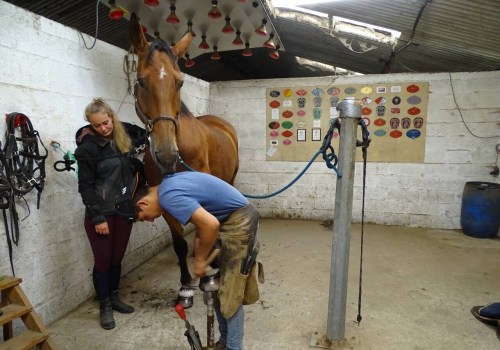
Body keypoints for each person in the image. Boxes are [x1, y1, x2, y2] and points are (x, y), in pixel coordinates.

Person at [132, 171, 262, 350]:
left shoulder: (168, 197)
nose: (151, 220)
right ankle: (224, 342)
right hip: (228, 218)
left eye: (144, 217)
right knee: (215, 285)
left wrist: (200, 259)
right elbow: (203, 221)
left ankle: (234, 347)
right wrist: (199, 250)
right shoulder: (167, 186)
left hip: (239, 220)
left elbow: (210, 224)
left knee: (231, 292)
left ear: (143, 203)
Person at [74, 98, 139, 330]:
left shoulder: (122, 140)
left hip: (123, 211)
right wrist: (97, 217)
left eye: (106, 122)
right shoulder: (87, 149)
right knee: (102, 262)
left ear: (111, 116)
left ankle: (114, 297)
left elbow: (145, 135)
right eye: (97, 125)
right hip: (102, 214)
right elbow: (86, 187)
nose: (103, 128)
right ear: (90, 126)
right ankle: (105, 305)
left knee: (116, 259)